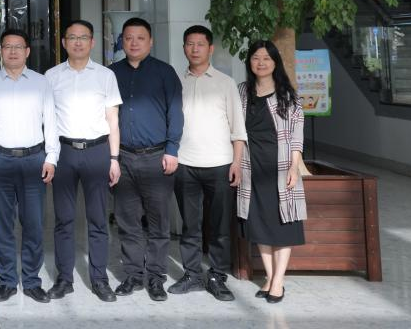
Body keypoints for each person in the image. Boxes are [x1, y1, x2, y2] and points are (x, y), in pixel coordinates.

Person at [0, 28, 59, 303]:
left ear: (27, 51)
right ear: (0, 51)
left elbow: (51, 122)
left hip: (34, 160)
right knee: (2, 225)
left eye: (18, 46)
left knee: (34, 223)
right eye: (7, 46)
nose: (12, 51)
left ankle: (32, 281)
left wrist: (51, 157)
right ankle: (8, 281)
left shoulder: (41, 83)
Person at [44, 20, 121, 303]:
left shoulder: (105, 76)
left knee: (98, 219)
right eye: (72, 37)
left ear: (92, 42)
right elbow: (46, 120)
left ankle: (99, 280)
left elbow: (113, 120)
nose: (77, 42)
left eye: (83, 37)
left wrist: (114, 158)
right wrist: (49, 157)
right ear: (64, 42)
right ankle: (64, 279)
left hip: (97, 151)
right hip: (63, 152)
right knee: (63, 220)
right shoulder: (51, 76)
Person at [169, 25, 246, 301]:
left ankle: (216, 277)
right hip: (185, 164)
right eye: (190, 44)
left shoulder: (225, 83)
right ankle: (192, 274)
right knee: (190, 225)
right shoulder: (176, 82)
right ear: (184, 48)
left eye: (200, 44)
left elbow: (238, 128)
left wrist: (237, 162)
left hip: (220, 164)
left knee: (219, 226)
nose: (195, 49)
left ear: (210, 48)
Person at [109, 17, 184, 301]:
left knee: (158, 222)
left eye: (140, 38)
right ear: (122, 41)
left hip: (157, 157)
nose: (134, 43)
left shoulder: (165, 72)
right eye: (129, 38)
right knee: (127, 221)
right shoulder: (111, 73)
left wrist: (172, 150)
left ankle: (155, 277)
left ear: (150, 42)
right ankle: (133, 275)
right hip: (123, 158)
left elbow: (175, 113)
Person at [238, 39, 306, 304]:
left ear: (275, 62)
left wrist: (294, 167)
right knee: (258, 222)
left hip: (280, 166)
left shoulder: (288, 95)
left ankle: (278, 281)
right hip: (250, 167)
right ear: (249, 62)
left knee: (283, 223)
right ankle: (269, 276)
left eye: (266, 58)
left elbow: (297, 135)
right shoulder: (242, 92)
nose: (261, 63)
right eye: (256, 58)